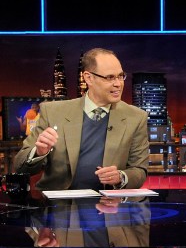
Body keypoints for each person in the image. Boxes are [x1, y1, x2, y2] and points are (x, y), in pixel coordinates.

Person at [12, 47, 149, 191]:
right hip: (58, 205)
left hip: (109, 206)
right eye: (110, 77)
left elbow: (139, 170)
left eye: (121, 76)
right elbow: (20, 165)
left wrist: (121, 177)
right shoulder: (52, 112)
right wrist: (39, 152)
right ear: (88, 78)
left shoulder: (136, 117)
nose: (118, 83)